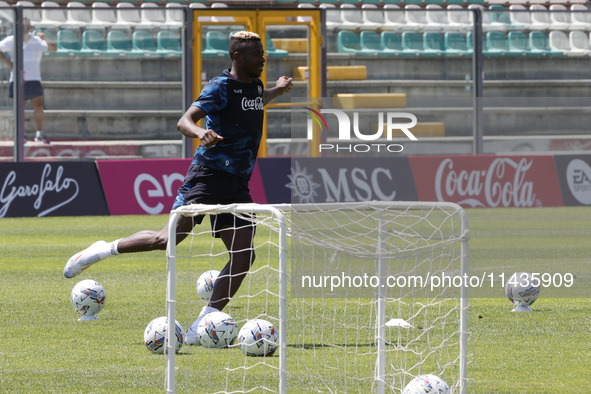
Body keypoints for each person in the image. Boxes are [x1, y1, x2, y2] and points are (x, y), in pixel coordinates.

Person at [63, 31, 293, 345]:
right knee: (167, 240)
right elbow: (185, 120)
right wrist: (201, 132)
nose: (262, 59)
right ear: (237, 57)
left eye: (263, 53)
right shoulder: (219, 87)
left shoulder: (253, 86)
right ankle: (103, 249)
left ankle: (202, 325)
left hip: (238, 183)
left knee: (243, 256)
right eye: (256, 55)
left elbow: (255, 101)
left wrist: (275, 91)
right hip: (207, 177)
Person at [0, 18, 56, 144]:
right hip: (17, 79)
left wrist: (45, 38)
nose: (26, 27)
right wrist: (8, 62)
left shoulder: (37, 40)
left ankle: (39, 134)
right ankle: (21, 134)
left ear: (30, 27)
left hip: (34, 78)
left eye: (27, 25)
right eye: (23, 25)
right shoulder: (11, 40)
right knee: (20, 108)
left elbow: (54, 48)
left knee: (39, 107)